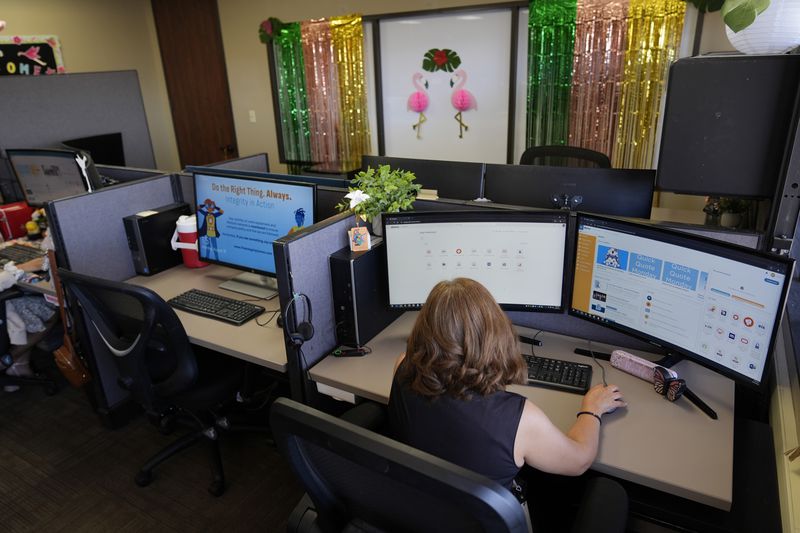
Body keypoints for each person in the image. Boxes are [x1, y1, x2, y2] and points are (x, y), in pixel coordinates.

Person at [388, 277, 626, 526]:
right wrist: (592, 410)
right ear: (494, 334)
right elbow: (579, 461)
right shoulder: (518, 418)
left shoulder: (402, 367)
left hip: (420, 516)